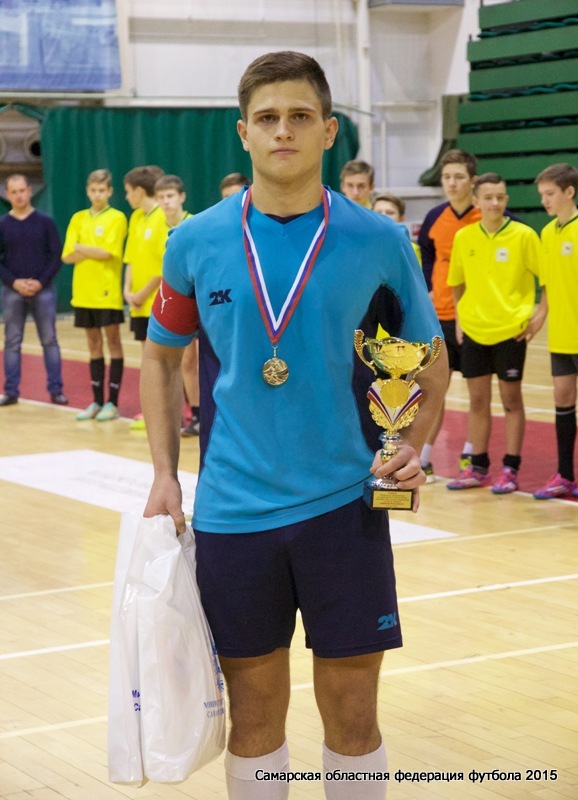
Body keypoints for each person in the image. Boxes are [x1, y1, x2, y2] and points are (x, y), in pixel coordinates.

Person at [140, 51, 448, 800]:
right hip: (233, 513)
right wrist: (163, 474)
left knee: (352, 712)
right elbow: (159, 360)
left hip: (346, 507)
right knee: (252, 716)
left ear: (328, 131)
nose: (284, 131)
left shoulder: (380, 241)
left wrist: (412, 446)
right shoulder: (193, 241)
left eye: (300, 116)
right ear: (243, 132)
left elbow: (430, 366)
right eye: (268, 118)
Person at [446, 173, 543, 493]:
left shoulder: (524, 235)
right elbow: (457, 283)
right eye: (488, 197)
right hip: (474, 330)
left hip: (511, 332)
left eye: (500, 197)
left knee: (511, 399)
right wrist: (460, 320)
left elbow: (547, 279)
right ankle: (478, 467)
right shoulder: (464, 237)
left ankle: (511, 468)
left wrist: (539, 315)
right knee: (477, 401)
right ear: (476, 201)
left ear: (506, 200)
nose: (495, 203)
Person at [417, 149, 480, 480]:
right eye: (446, 177)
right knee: (434, 391)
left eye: (459, 177)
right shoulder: (434, 217)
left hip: (475, 318)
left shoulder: (488, 215)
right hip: (439, 316)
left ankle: (471, 454)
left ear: (472, 180)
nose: (452, 183)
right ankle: (424, 458)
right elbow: (427, 255)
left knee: (477, 394)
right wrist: (429, 287)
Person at [62, 168, 128, 421]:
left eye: (102, 190)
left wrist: (81, 247)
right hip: (83, 293)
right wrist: (89, 250)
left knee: (113, 342)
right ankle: (97, 401)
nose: (97, 194)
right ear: (87, 192)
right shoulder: (78, 218)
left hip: (107, 292)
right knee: (93, 345)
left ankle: (113, 403)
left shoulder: (117, 217)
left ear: (110, 191)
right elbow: (67, 255)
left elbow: (108, 252)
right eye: (93, 190)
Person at [0, 174, 68, 407]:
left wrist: (40, 282)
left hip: (43, 291)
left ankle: (56, 389)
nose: (19, 195)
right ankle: (11, 391)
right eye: (14, 192)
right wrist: (14, 282)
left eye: (22, 190)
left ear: (29, 191)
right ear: (7, 195)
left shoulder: (45, 222)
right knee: (12, 341)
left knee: (49, 340)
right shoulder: (3, 224)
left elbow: (56, 256)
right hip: (12, 292)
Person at [533, 163, 578, 500]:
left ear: (569, 192)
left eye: (550, 193)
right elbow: (548, 284)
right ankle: (565, 475)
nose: (544, 200)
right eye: (542, 195)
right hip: (561, 336)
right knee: (563, 401)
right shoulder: (547, 233)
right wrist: (540, 316)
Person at [153, 173, 199, 437]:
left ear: (182, 197)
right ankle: (190, 412)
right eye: (161, 197)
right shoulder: (154, 226)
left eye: (170, 196)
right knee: (177, 361)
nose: (166, 201)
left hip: (194, 301)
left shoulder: (194, 224)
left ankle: (201, 413)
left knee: (193, 360)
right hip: (167, 303)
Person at [123, 165, 167, 429]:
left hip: (157, 302)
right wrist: (127, 290)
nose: (127, 197)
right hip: (137, 304)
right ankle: (152, 413)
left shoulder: (163, 217)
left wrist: (143, 292)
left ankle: (172, 413)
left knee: (163, 362)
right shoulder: (136, 218)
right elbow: (130, 258)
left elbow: (165, 265)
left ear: (139, 191)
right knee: (147, 361)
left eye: (128, 191)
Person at [372, 193, 421, 265]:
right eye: (378, 212)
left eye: (390, 213)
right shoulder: (363, 246)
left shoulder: (410, 249)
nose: (383, 216)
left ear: (401, 217)